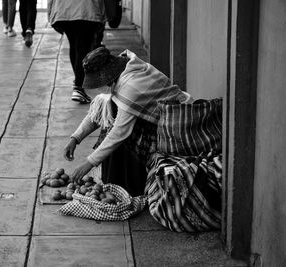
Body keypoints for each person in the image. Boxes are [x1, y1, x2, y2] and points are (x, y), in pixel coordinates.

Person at [63, 47, 223, 232]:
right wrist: (75, 138)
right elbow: (98, 113)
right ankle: (118, 181)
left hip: (180, 126)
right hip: (156, 117)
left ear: (107, 75)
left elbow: (119, 133)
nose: (99, 86)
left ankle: (131, 184)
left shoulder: (131, 87)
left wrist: (88, 163)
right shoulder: (126, 69)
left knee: (117, 131)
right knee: (107, 104)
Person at [47, 0, 106, 104]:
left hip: (63, 10)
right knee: (82, 47)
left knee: (74, 46)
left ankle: (78, 83)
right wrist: (103, 14)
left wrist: (50, 14)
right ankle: (78, 86)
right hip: (86, 9)